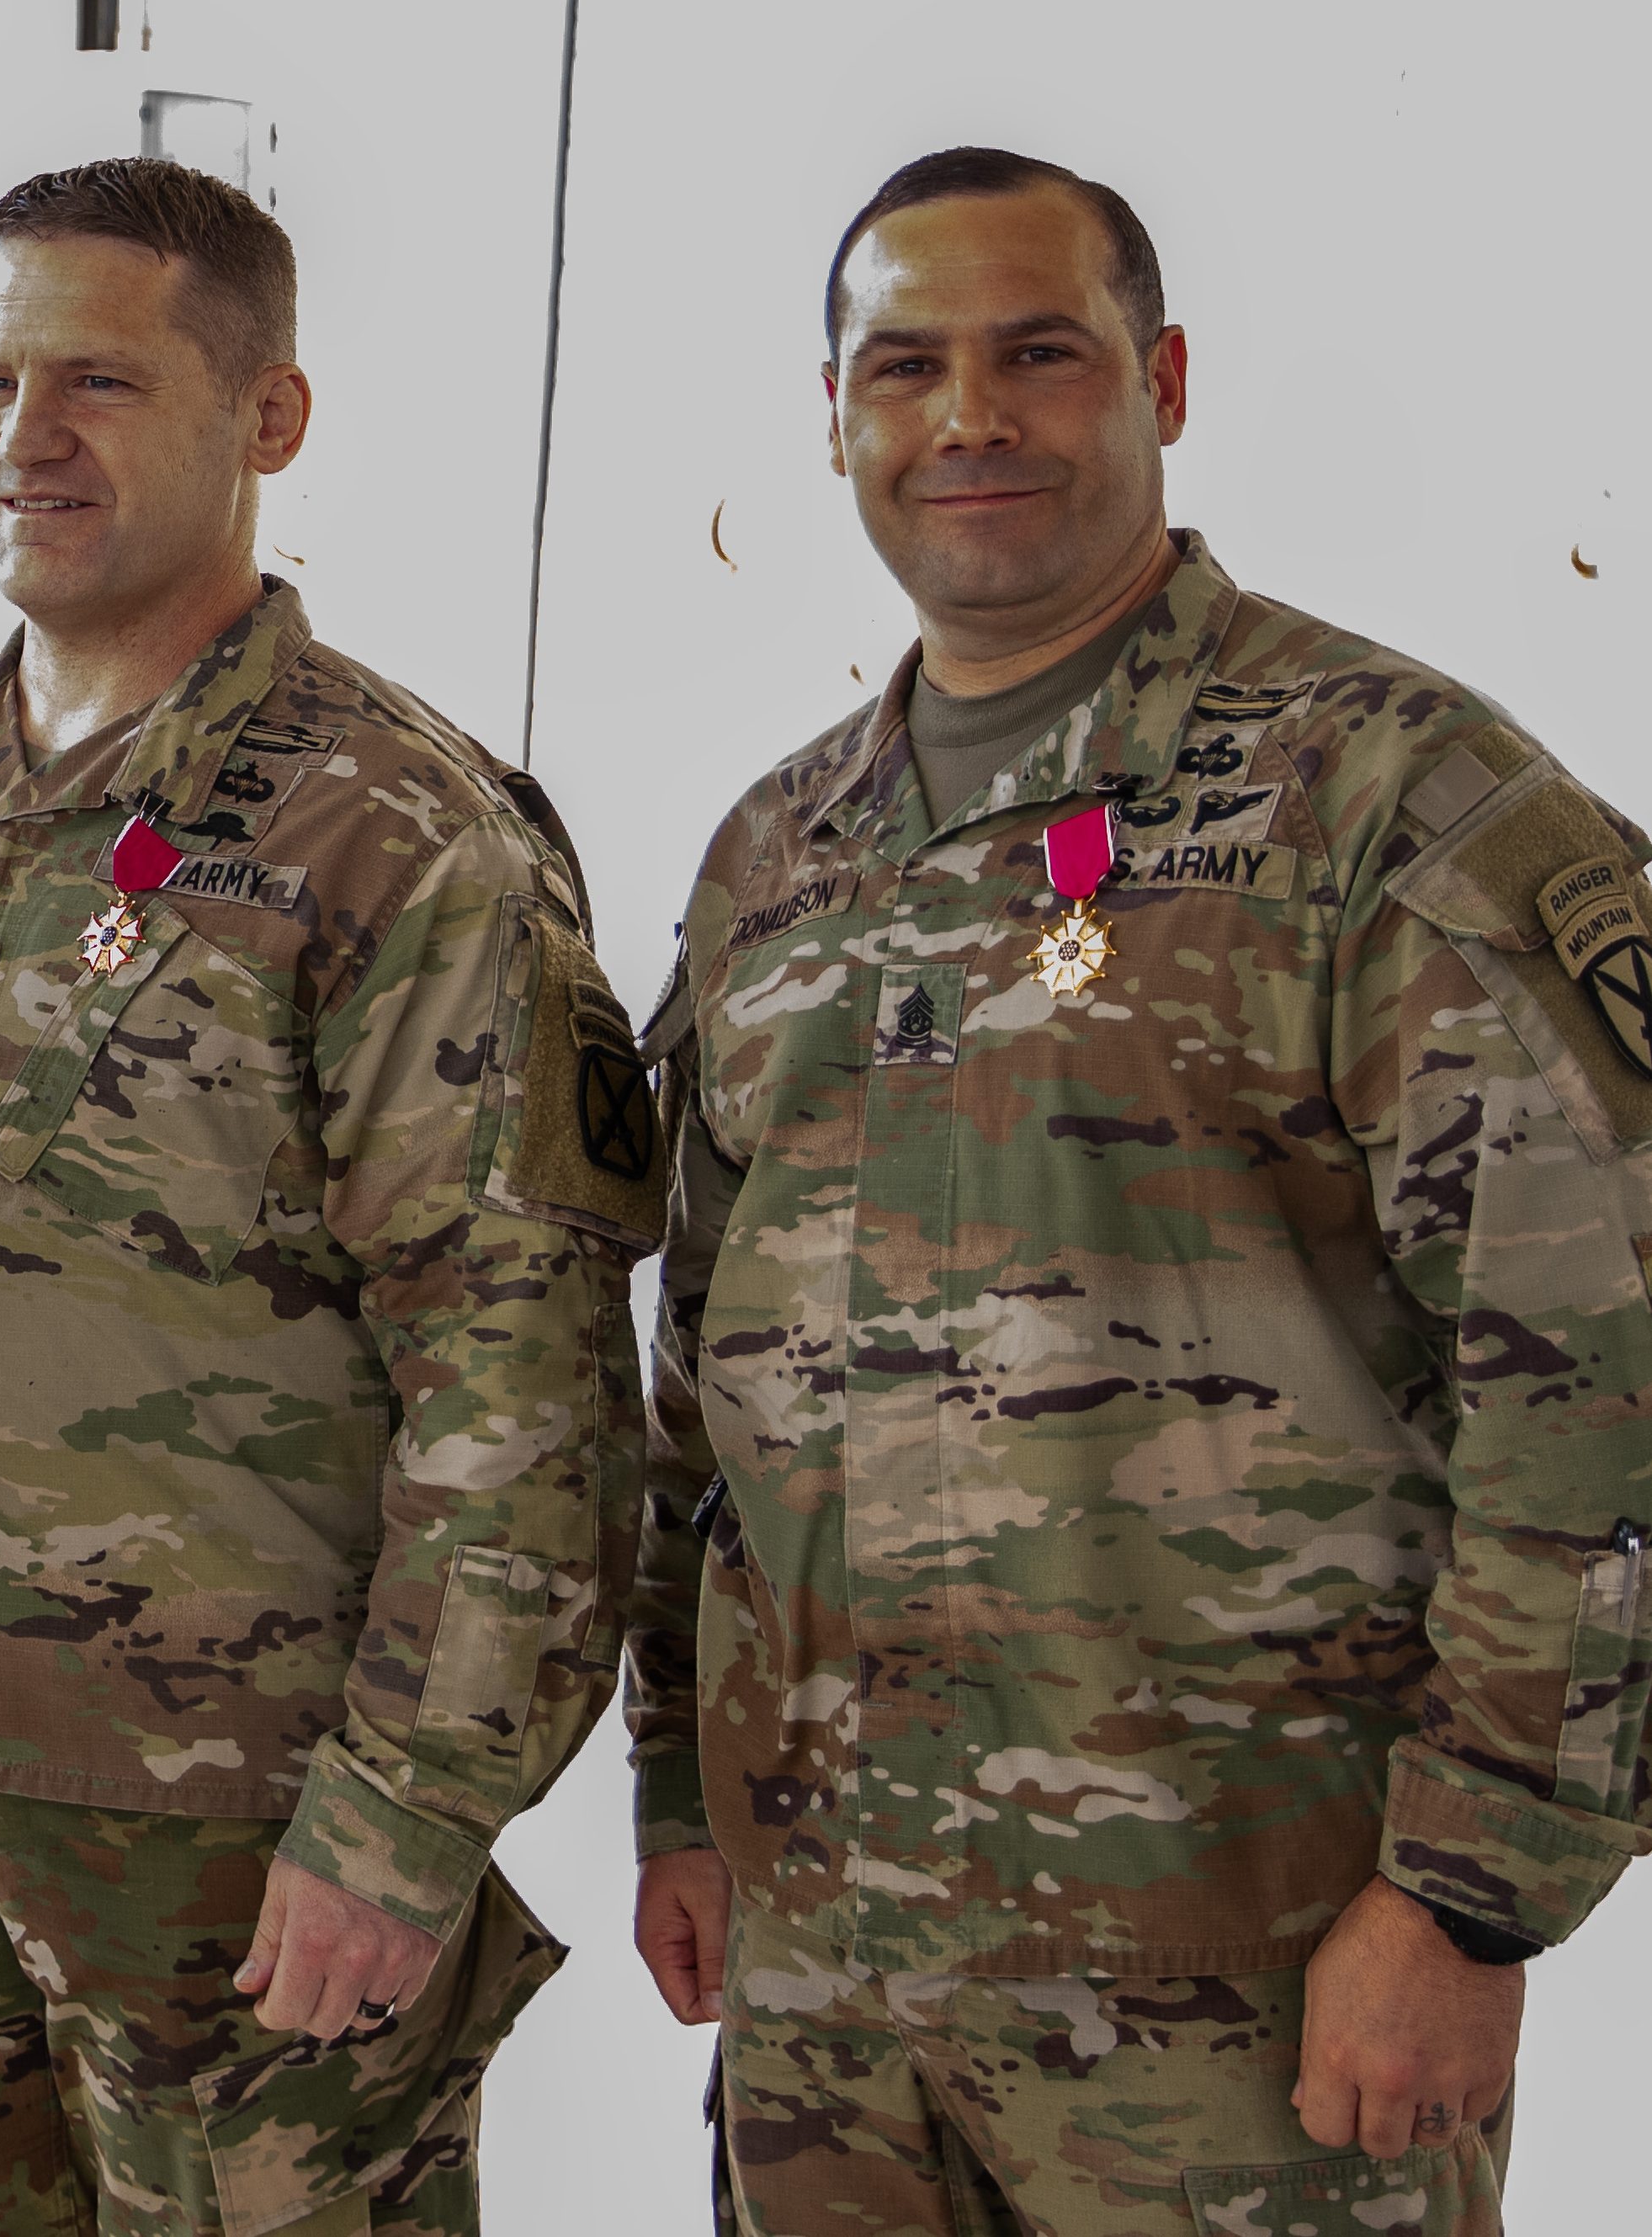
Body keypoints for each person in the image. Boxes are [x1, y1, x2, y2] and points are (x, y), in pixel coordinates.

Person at [0, 158, 657, 2236]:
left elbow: (516, 1387)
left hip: (238, 1839)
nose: (28, 436)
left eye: (99, 377)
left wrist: (406, 1817)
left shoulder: (401, 837)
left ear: (267, 416)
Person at [627, 145, 1652, 2233]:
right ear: (834, 414)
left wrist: (1470, 1896)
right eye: (905, 365)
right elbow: (702, 1384)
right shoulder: (782, 857)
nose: (971, 419)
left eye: (1042, 355)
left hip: (1248, 1991)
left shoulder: (1387, 797)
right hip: (834, 1989)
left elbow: (1602, 1373)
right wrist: (680, 1788)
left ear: (1164, 378)